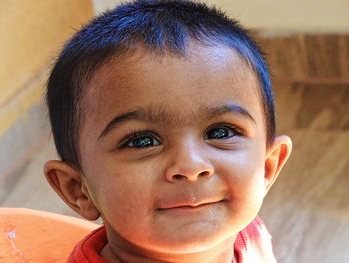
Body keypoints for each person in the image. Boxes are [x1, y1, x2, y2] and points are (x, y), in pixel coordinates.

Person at [44, 0, 292, 262]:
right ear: (78, 189)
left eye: (220, 132)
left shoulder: (252, 238)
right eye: (141, 141)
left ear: (267, 166)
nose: (190, 166)